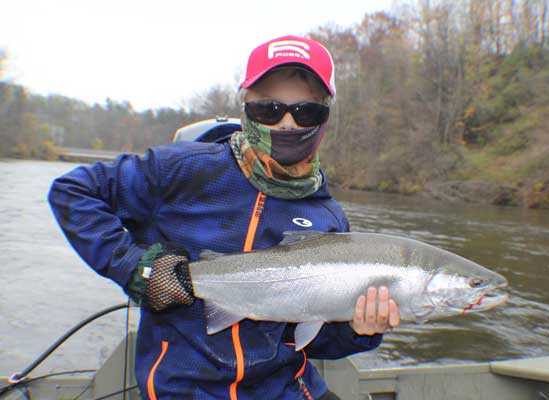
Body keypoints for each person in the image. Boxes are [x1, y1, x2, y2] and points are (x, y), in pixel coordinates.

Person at [48, 34, 401, 400]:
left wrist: (361, 329)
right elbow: (72, 192)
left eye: (306, 112)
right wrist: (137, 268)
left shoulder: (327, 216)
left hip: (285, 389)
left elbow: (311, 338)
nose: (287, 124)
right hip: (183, 390)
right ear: (246, 105)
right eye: (269, 109)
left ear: (324, 118)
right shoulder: (184, 170)